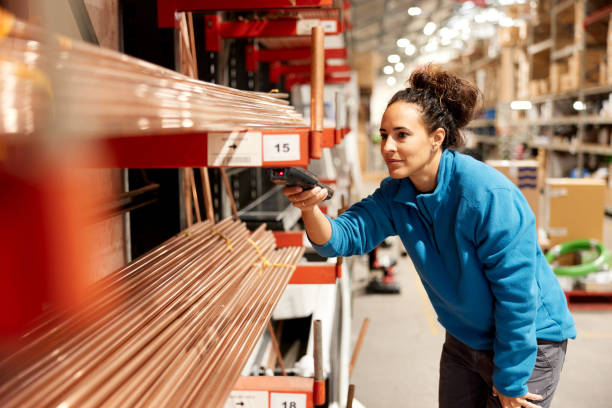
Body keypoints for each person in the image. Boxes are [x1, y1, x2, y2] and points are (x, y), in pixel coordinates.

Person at [283, 65, 576, 408]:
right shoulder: (396, 194)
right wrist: (309, 207)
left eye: (402, 135)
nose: (387, 147)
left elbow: (517, 296)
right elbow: (342, 237)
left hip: (529, 340)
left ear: (437, 138)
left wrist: (511, 379)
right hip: (465, 336)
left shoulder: (486, 196)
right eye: (383, 135)